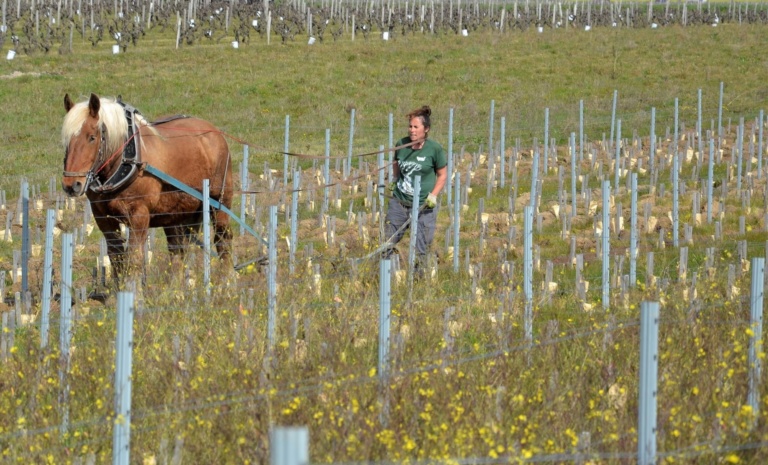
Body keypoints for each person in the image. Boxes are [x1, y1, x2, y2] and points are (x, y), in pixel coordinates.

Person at [383, 106, 448, 276]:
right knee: (387, 242)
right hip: (399, 203)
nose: (412, 130)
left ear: (426, 129)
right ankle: (386, 278)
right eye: (410, 126)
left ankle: (418, 281)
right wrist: (395, 180)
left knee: (421, 247)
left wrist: (433, 195)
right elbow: (396, 162)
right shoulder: (401, 144)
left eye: (416, 127)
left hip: (422, 207)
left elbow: (442, 175)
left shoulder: (434, 149)